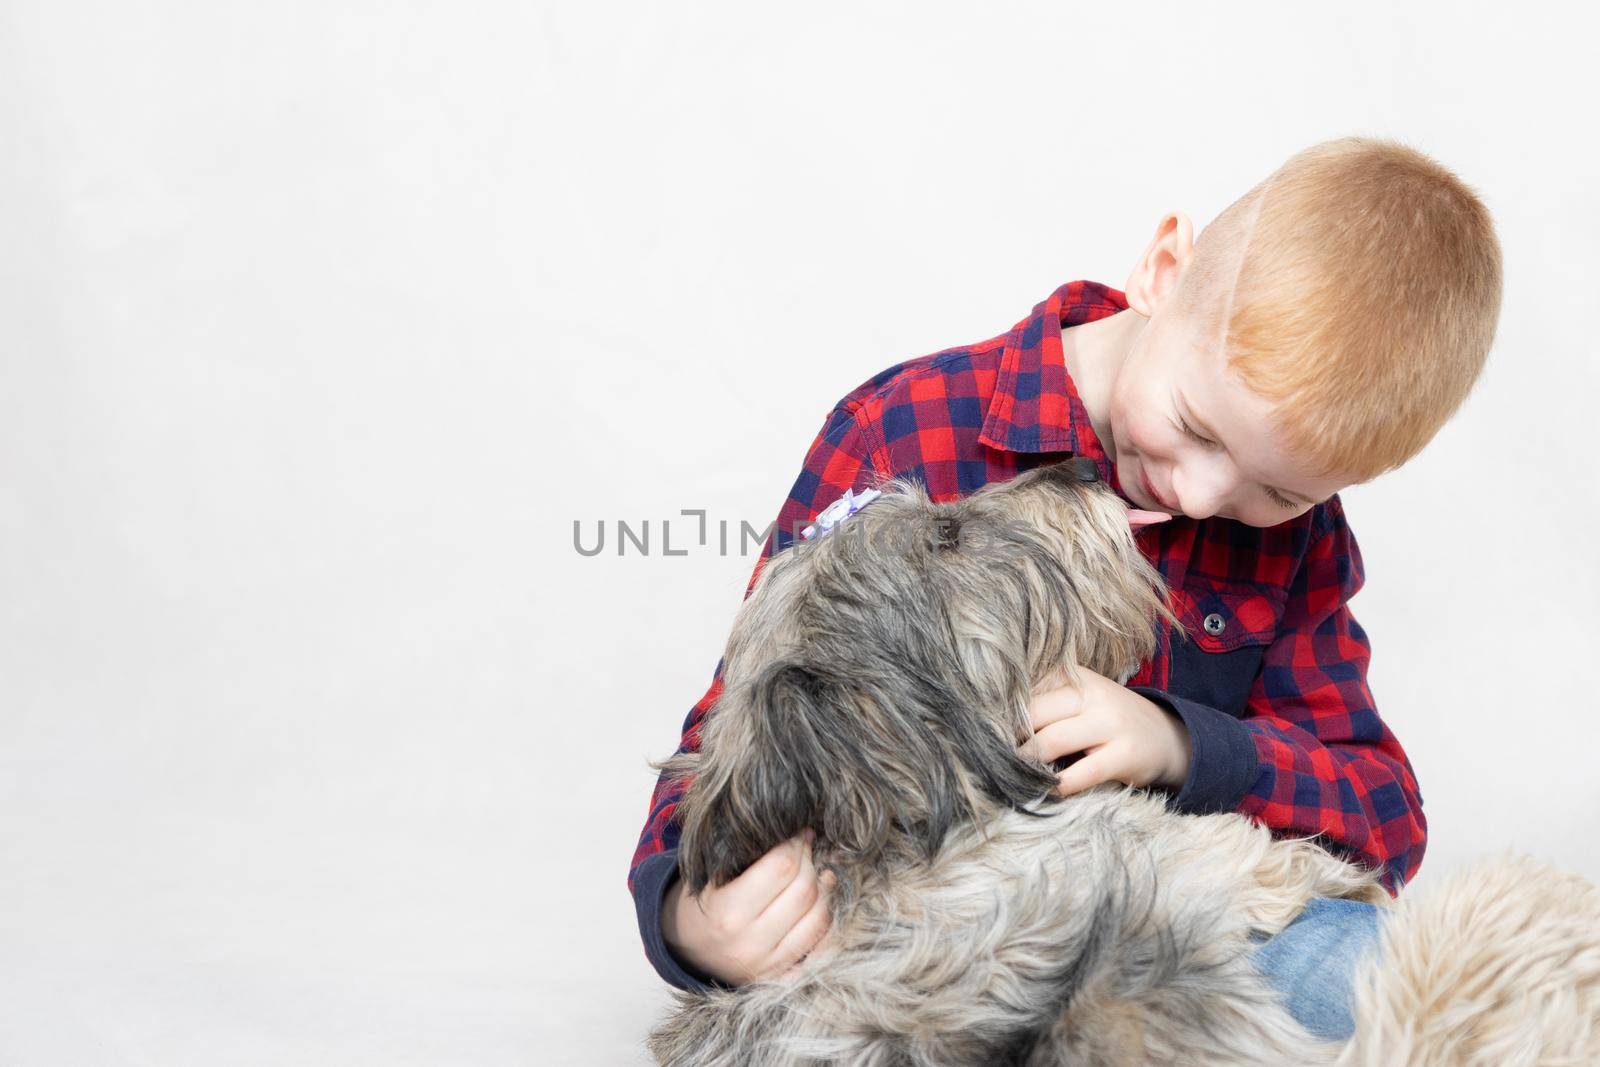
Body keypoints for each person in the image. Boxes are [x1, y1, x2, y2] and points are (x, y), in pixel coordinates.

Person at [627, 136, 1503, 1041]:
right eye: (1195, 427)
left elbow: (1382, 813)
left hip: (1192, 925)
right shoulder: (902, 432)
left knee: (1406, 990)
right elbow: (743, 718)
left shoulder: (1299, 542)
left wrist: (1180, 745)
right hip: (924, 942)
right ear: (1164, 271)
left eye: (1277, 491)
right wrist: (690, 918)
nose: (1201, 495)